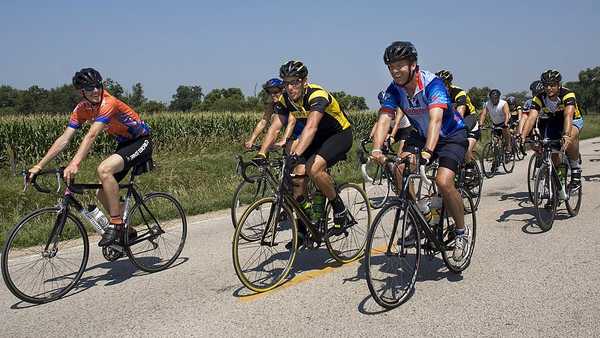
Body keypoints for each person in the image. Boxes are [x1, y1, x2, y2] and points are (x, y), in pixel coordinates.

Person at [28, 68, 152, 247]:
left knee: (104, 169)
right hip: (125, 145)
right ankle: (127, 229)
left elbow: (91, 135)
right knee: (101, 192)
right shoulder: (82, 109)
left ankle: (116, 224)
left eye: (97, 86)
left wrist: (74, 163)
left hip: (141, 141)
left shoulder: (108, 102)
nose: (95, 91)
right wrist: (39, 165)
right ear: (81, 92)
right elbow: (65, 138)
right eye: (89, 88)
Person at [371, 41, 469, 260]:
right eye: (391, 67)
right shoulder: (393, 90)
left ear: (413, 64)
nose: (395, 71)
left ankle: (461, 232)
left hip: (450, 135)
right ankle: (420, 214)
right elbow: (385, 117)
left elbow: (435, 120)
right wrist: (377, 149)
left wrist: (427, 153)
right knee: (398, 167)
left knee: (443, 182)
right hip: (422, 135)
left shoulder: (432, 83)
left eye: (400, 65)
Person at [255, 60, 353, 238]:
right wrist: (262, 152)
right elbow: (275, 127)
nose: (290, 87)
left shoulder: (317, 95)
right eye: (286, 83)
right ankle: (303, 225)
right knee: (297, 177)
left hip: (339, 135)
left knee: (313, 169)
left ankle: (340, 210)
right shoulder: (286, 100)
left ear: (304, 81)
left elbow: (311, 127)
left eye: (294, 82)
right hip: (316, 139)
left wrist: (296, 153)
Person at [522, 69, 584, 190]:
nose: (549, 88)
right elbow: (531, 117)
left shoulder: (567, 94)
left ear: (558, 84)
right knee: (552, 150)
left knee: (570, 137)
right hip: (555, 121)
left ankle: (576, 170)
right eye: (546, 85)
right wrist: (523, 136)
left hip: (574, 119)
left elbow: (568, 115)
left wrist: (566, 135)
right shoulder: (539, 97)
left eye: (552, 85)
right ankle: (557, 190)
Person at [436, 69, 480, 163]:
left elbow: (461, 112)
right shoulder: (436, 94)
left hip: (469, 117)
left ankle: (470, 167)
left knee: (465, 148)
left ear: (448, 84)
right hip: (452, 119)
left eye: (444, 85)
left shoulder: (459, 92)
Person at [244, 78, 297, 149]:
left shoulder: (290, 101)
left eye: (275, 92)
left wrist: (284, 140)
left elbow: (292, 122)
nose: (272, 95)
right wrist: (251, 140)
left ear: (283, 90)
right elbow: (263, 121)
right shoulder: (272, 104)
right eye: (269, 92)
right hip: (291, 131)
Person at [479, 89, 511, 153]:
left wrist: (505, 123)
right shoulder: (487, 104)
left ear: (498, 97)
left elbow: (507, 114)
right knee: (495, 140)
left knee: (505, 131)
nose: (494, 100)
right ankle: (496, 157)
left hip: (504, 121)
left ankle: (508, 145)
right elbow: (484, 114)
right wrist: (480, 124)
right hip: (495, 123)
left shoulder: (503, 103)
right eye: (492, 98)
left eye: (495, 98)